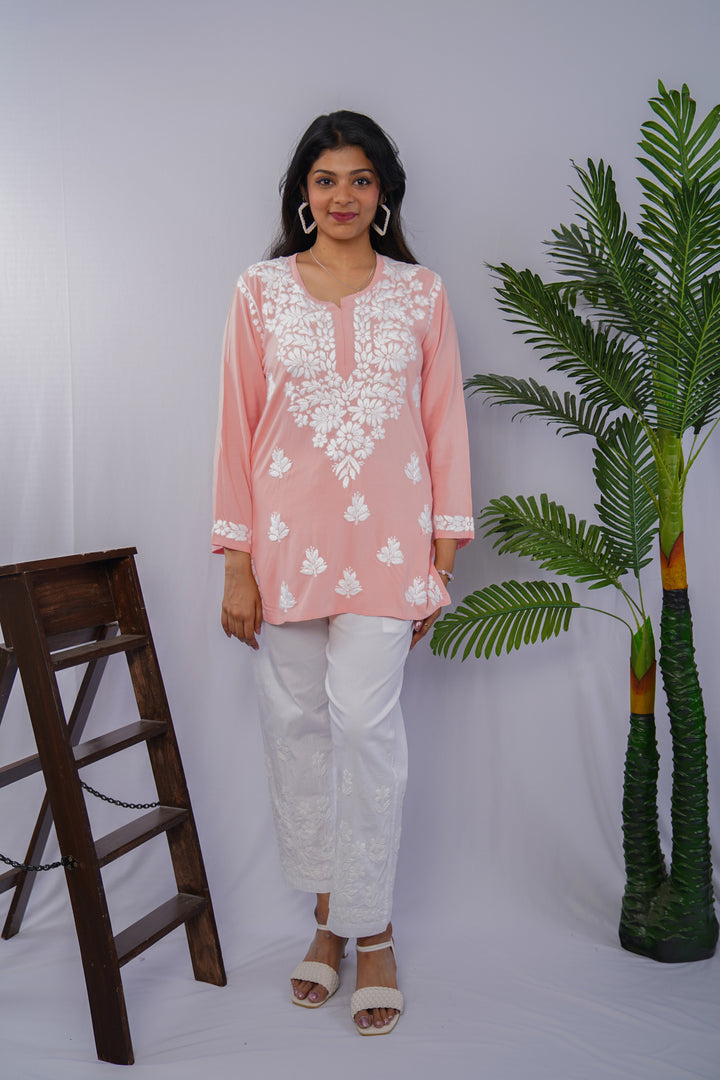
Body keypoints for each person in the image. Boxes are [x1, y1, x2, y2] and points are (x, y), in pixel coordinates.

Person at [212, 110, 473, 1035]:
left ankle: (377, 930)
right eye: (326, 180)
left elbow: (445, 426)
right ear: (302, 192)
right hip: (283, 554)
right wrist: (237, 563)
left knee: (365, 729)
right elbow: (236, 428)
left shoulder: (421, 295)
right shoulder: (260, 292)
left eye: (361, 179)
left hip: (391, 554)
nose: (343, 196)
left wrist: (442, 559)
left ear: (384, 193)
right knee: (298, 732)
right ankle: (330, 920)